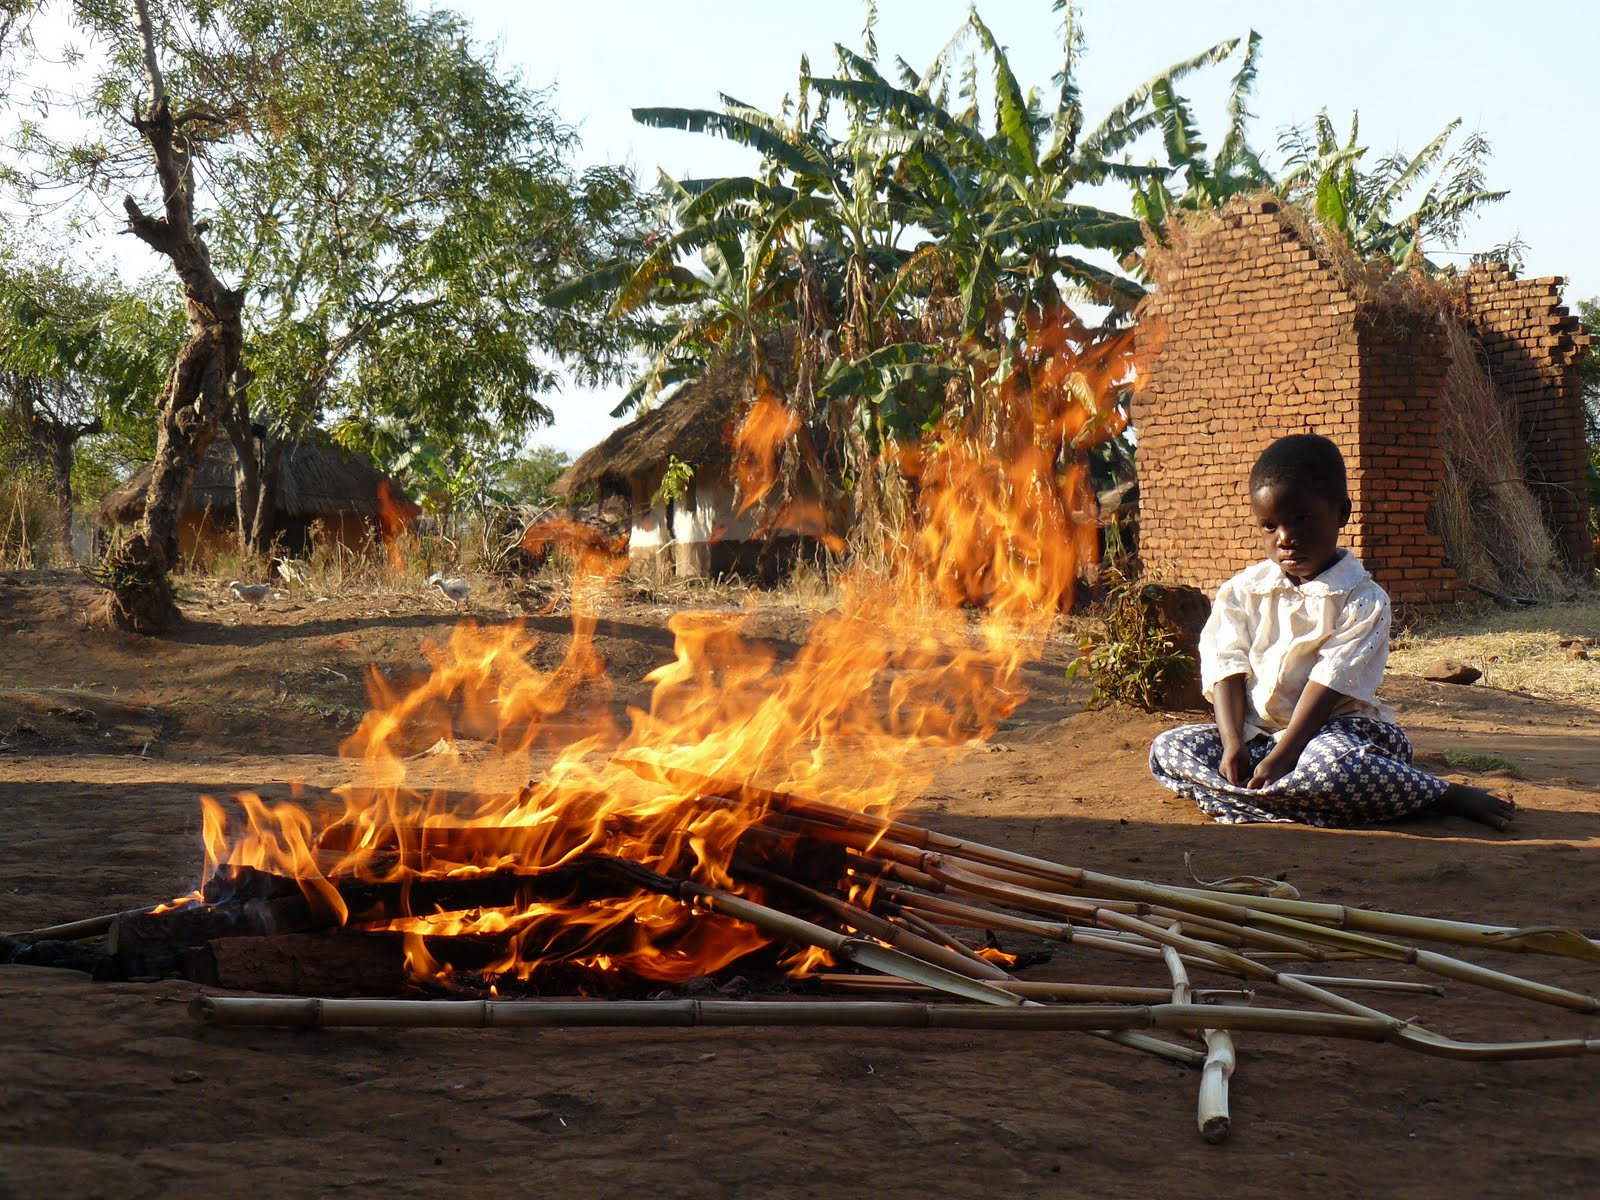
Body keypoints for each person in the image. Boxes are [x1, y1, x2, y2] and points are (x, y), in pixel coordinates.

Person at [1149, 433, 1515, 830]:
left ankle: (1442, 795)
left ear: (1341, 512)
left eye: (1301, 519)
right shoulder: (1241, 591)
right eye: (1269, 525)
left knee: (1337, 769)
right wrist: (1234, 744)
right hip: (1259, 738)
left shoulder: (1363, 599)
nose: (1285, 538)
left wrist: (1285, 756)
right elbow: (1226, 666)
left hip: (1338, 734)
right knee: (1168, 748)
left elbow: (1329, 683)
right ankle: (1287, 800)